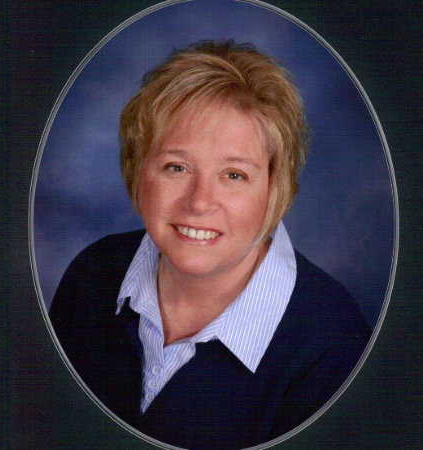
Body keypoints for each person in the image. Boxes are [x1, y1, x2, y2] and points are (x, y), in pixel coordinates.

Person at [49, 40, 372, 450]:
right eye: (176, 167)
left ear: (274, 187)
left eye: (234, 175)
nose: (199, 202)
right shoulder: (92, 273)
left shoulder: (334, 346)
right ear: (137, 169)